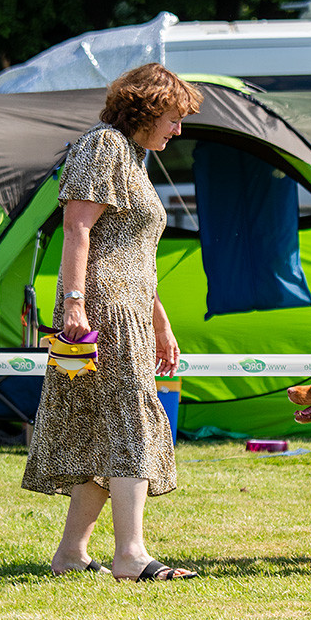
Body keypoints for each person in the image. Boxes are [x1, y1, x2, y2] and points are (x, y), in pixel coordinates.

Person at [21, 63, 203, 582]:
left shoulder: (132, 157)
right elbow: (77, 227)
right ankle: (131, 555)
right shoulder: (104, 145)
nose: (179, 128)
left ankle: (71, 554)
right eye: (174, 117)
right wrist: (74, 303)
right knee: (131, 424)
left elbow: (136, 254)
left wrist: (161, 321)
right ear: (146, 109)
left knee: (108, 428)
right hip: (102, 306)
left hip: (131, 306)